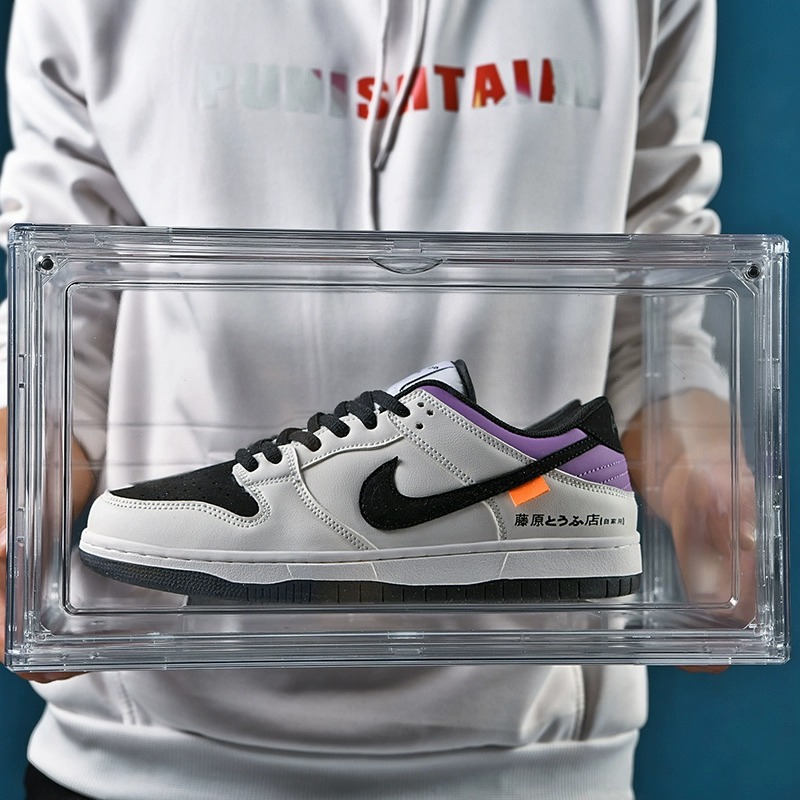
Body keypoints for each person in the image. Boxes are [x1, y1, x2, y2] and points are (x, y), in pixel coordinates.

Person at [0, 1, 753, 798]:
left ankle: (519, 489)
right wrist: (19, 474)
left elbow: (653, 283)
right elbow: (63, 307)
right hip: (137, 746)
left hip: (539, 752)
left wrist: (699, 458)